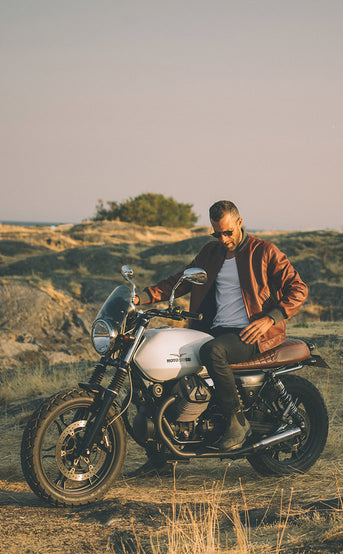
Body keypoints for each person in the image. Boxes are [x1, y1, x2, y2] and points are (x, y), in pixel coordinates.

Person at [128, 200, 308, 476]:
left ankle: (237, 421)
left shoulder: (264, 252)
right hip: (213, 328)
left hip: (250, 333)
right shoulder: (211, 253)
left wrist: (270, 319)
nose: (223, 239)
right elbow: (181, 280)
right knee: (168, 364)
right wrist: (143, 297)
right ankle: (162, 454)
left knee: (214, 352)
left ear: (239, 222)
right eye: (217, 234)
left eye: (228, 232)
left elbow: (298, 288)